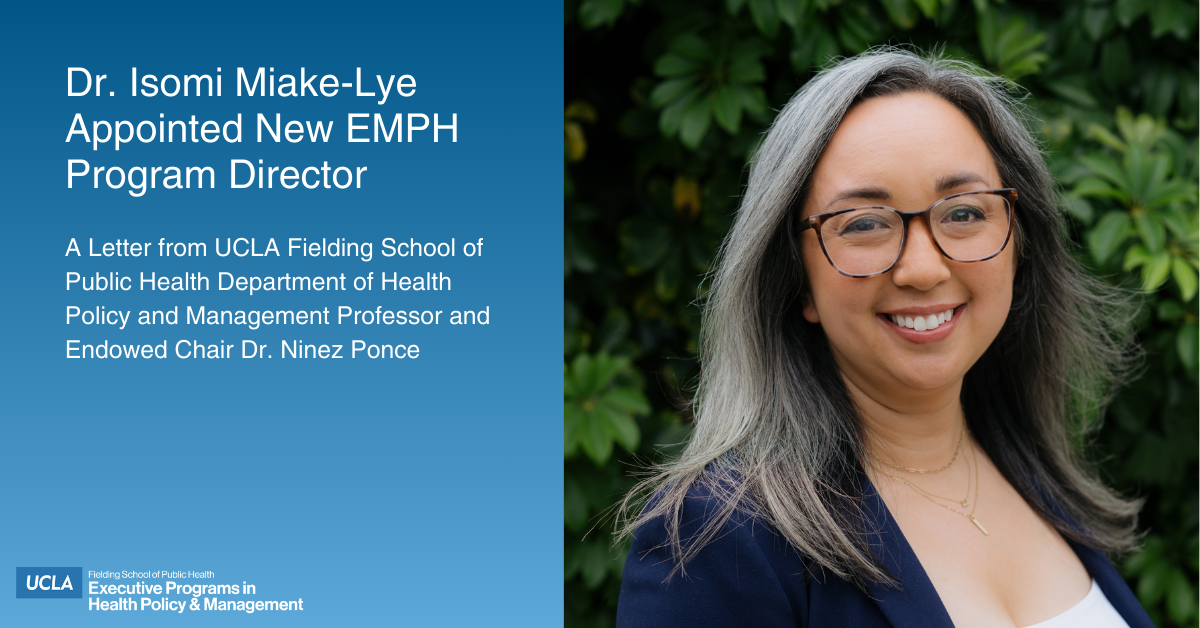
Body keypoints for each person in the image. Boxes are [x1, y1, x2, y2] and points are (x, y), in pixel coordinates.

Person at [614, 49, 1153, 628]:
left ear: (1019, 245)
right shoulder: (721, 538)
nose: (923, 269)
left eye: (964, 213)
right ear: (796, 280)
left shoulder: (1034, 473)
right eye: (865, 224)